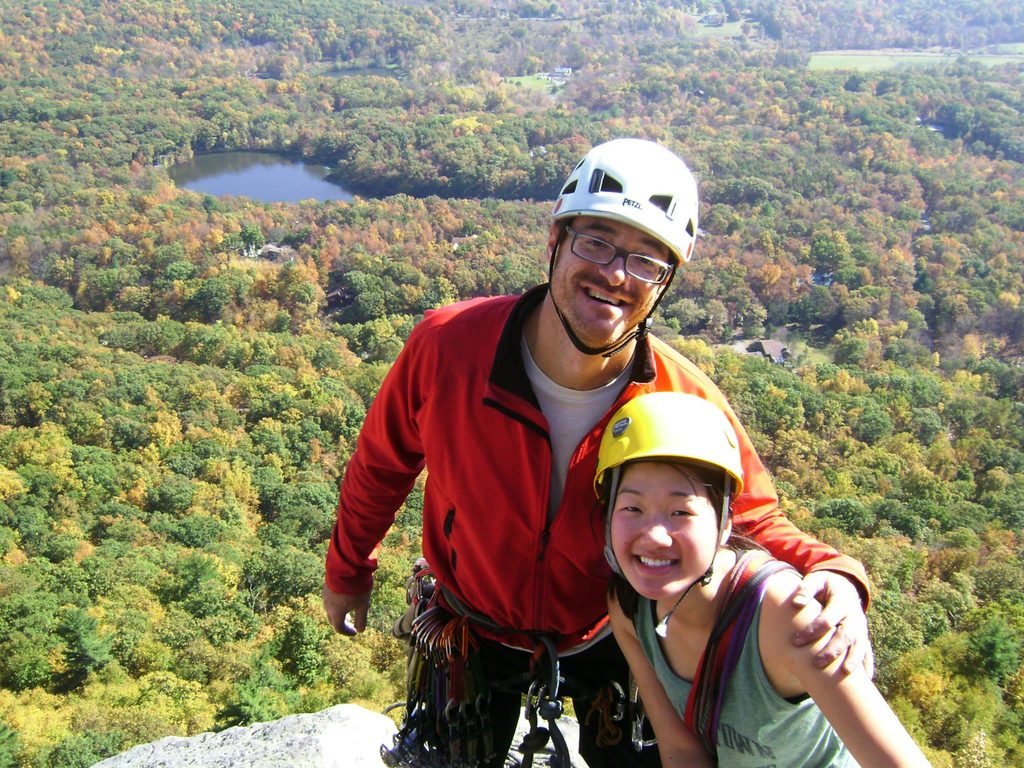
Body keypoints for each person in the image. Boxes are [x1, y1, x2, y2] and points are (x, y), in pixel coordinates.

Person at [323, 138, 874, 767]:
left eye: (646, 260)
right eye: (598, 242)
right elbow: (382, 464)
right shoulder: (450, 348)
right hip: (471, 620)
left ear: (664, 282)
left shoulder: (682, 397)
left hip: (614, 633)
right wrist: (347, 572)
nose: (616, 273)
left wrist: (836, 572)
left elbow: (748, 517)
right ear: (556, 240)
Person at [599, 391, 930, 767]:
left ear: (725, 523)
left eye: (680, 511)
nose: (655, 536)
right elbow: (681, 751)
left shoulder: (786, 613)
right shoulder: (629, 606)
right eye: (632, 507)